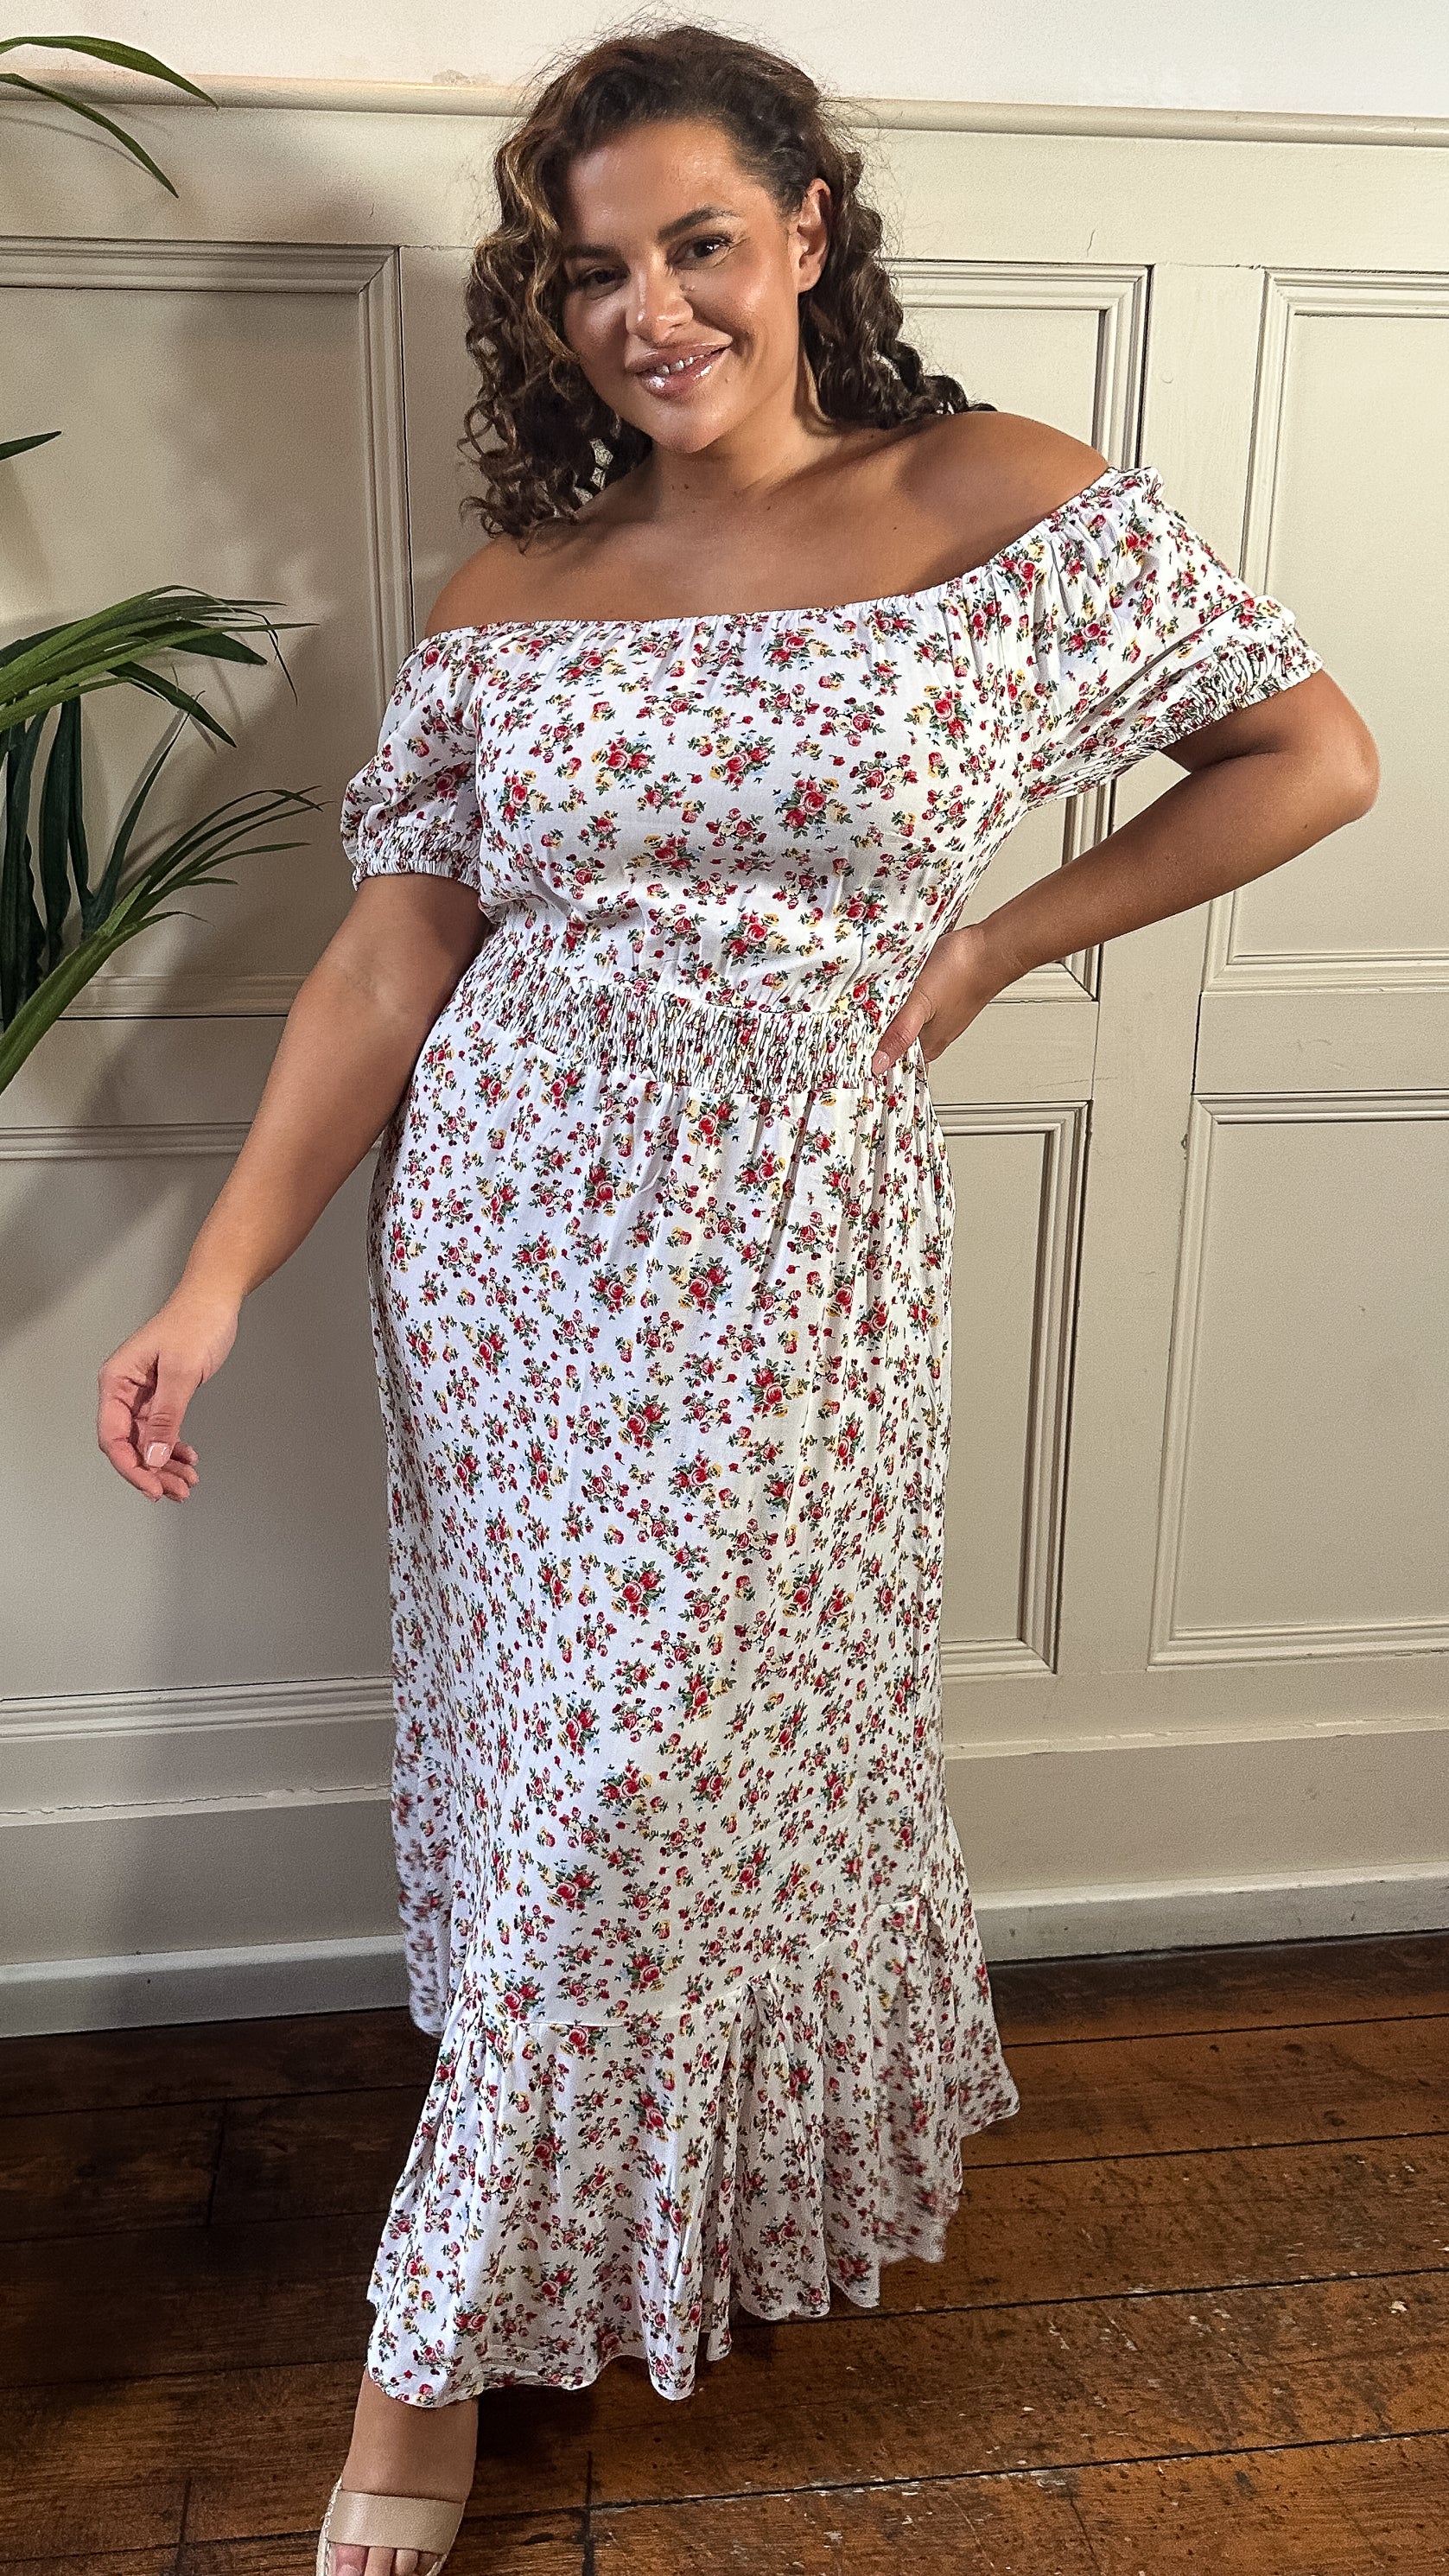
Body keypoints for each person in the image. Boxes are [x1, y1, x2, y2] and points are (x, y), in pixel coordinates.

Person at [96, 25, 1376, 2575]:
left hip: (796, 1254)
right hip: (505, 1246)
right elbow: (394, 954)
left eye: (697, 242)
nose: (649, 309)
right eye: (592, 270)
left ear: (807, 229)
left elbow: (1308, 757)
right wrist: (218, 1277)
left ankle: (419, 2378)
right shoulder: (520, 588)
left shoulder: (997, 500)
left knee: (656, 1770)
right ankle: (524, 2273)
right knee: (561, 1771)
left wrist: (996, 940)